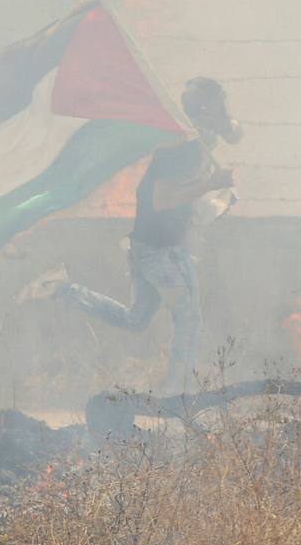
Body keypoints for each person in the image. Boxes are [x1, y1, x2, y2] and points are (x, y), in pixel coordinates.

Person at [19, 77, 242, 393]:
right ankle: (178, 395)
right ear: (204, 112)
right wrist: (212, 183)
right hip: (161, 249)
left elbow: (234, 133)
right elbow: (161, 199)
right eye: (216, 107)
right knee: (189, 320)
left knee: (136, 319)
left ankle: (60, 289)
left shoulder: (201, 136)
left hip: (146, 244)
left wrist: (221, 117)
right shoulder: (182, 147)